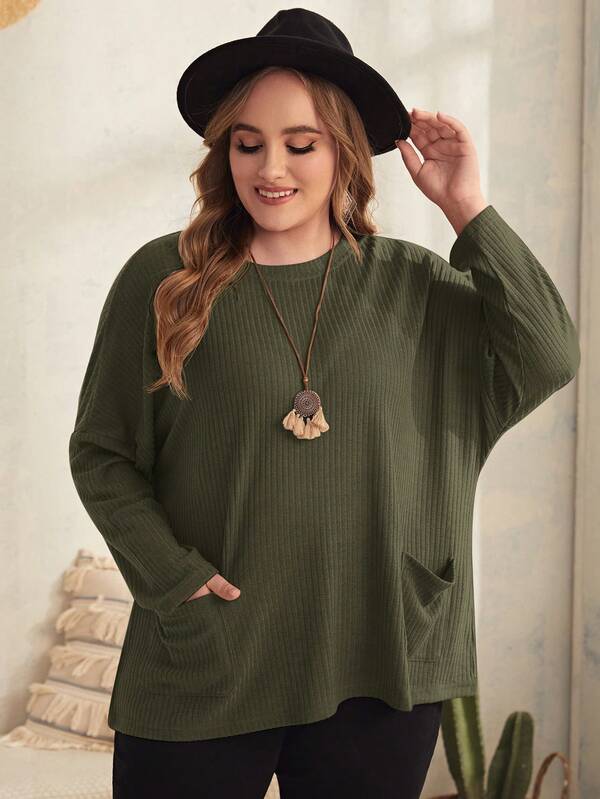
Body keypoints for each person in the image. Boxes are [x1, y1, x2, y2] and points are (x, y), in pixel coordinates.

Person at [68, 9, 581, 799]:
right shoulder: (163, 281)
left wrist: (466, 207)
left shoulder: (416, 285)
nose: (270, 168)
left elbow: (549, 353)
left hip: (379, 658)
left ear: (344, 150)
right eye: (248, 143)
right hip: (208, 656)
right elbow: (102, 452)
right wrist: (173, 577)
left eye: (301, 144)